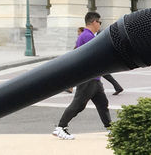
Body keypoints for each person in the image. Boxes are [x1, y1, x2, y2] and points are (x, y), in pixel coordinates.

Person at [52, 12, 112, 140]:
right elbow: (95, 55)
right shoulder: (87, 36)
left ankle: (110, 128)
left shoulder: (87, 35)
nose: (100, 25)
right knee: (78, 105)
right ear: (94, 22)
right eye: (99, 22)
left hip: (94, 78)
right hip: (88, 78)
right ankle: (60, 127)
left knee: (102, 103)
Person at [65, 27, 124, 95]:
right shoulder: (84, 37)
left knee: (77, 74)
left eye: (79, 32)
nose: (78, 33)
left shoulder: (87, 36)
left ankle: (71, 88)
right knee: (105, 75)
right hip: (96, 61)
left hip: (94, 61)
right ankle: (117, 87)